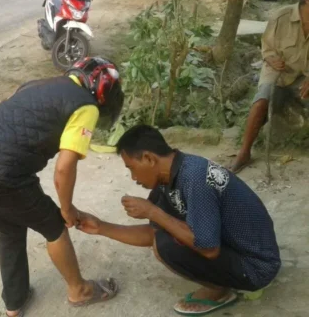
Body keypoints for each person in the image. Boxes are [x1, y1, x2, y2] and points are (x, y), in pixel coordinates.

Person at [0, 57, 125, 317]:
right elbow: (64, 168)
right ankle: (79, 291)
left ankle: (15, 302)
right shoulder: (86, 107)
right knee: (54, 226)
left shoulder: (40, 84)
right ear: (103, 93)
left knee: (9, 226)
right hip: (2, 174)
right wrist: (67, 210)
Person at [78, 125, 281, 316]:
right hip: (236, 248)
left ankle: (219, 290)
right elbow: (152, 232)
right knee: (164, 237)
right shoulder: (170, 177)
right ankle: (221, 282)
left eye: (131, 167)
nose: (132, 177)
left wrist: (153, 212)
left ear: (149, 158)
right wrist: (101, 227)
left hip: (256, 267)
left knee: (167, 246)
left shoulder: (195, 178)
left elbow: (209, 248)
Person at [229, 0, 309, 173]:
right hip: (278, 72)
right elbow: (267, 47)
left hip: (304, 76)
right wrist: (271, 57)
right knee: (262, 101)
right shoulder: (281, 17)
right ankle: (244, 152)